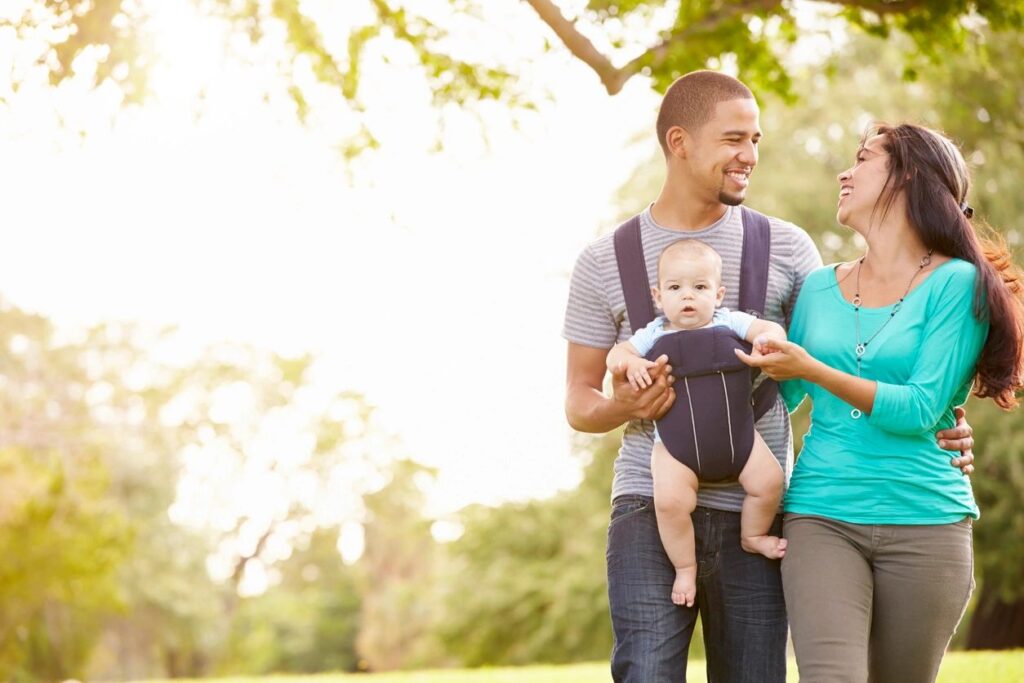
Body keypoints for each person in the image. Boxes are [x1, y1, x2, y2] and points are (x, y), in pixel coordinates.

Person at [562, 70, 977, 683]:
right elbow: (577, 401)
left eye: (756, 140)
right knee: (645, 673)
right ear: (679, 142)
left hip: (760, 507)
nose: (750, 156)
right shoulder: (604, 260)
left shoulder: (788, 250)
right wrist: (629, 405)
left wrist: (942, 419)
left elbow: (835, 367)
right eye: (734, 140)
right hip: (650, 504)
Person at [738, 123, 1024, 682]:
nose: (845, 173)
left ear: (910, 175)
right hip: (822, 514)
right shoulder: (819, 288)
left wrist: (813, 367)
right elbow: (780, 395)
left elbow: (919, 408)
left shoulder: (958, 284)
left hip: (927, 521)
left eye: (864, 159)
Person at [606, 238, 787, 608]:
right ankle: (685, 567)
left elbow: (768, 328)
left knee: (770, 483)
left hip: (740, 442)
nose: (687, 296)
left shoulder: (730, 321)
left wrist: (769, 341)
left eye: (700, 287)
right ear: (659, 296)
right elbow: (616, 354)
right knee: (670, 502)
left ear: (718, 294)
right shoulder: (653, 334)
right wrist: (631, 364)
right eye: (675, 288)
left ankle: (753, 536)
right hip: (676, 449)